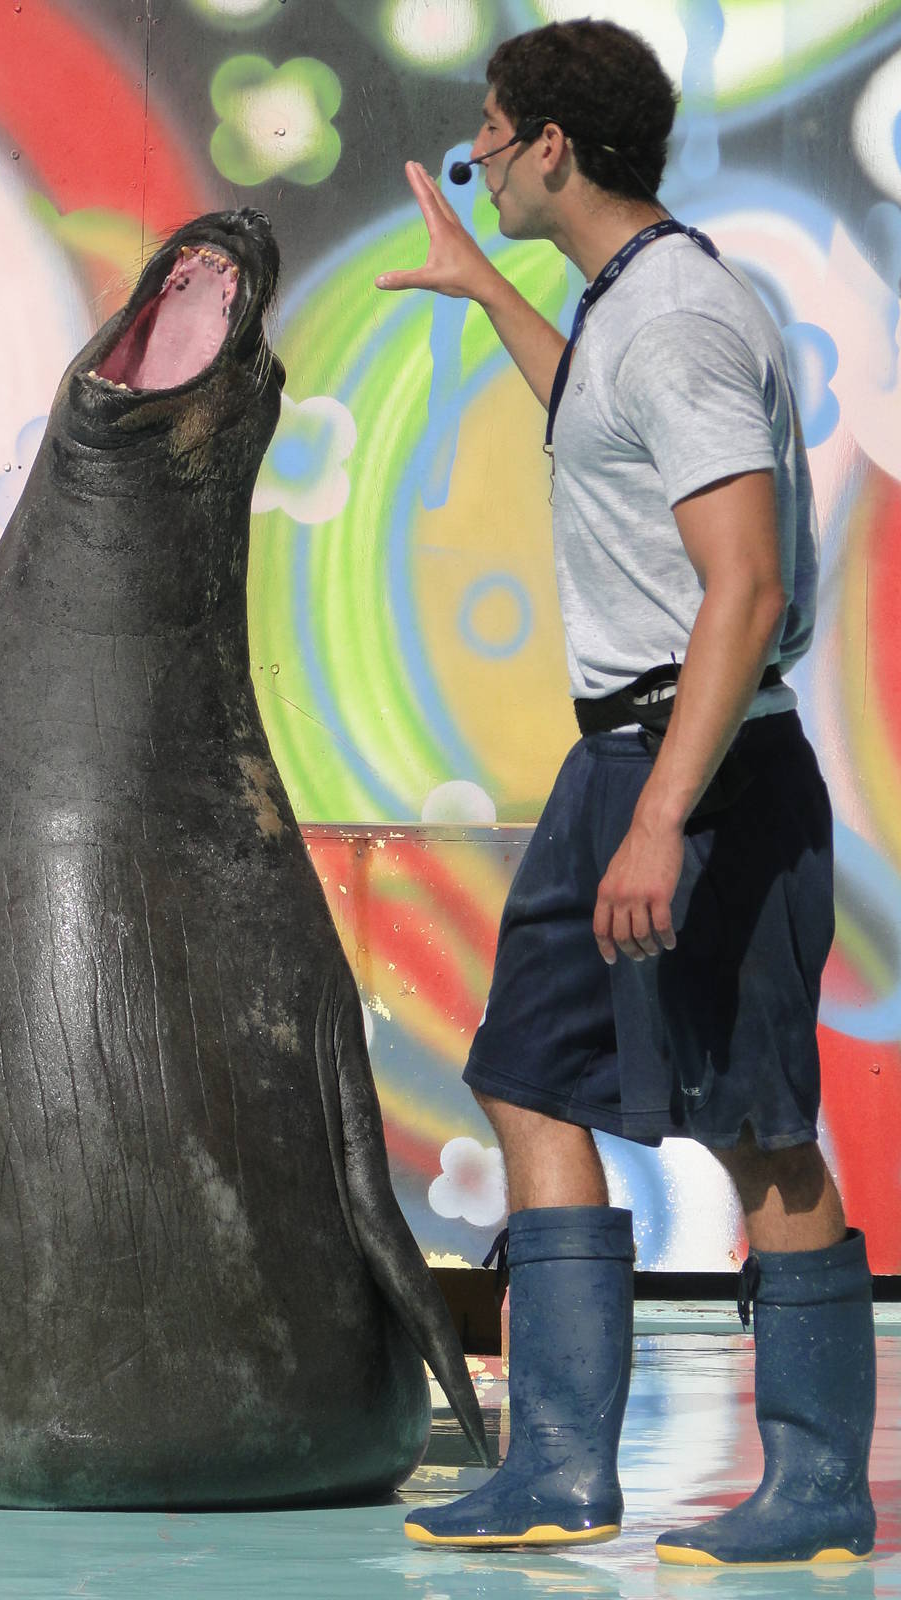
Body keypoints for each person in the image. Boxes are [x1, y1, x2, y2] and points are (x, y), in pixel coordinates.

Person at [376, 18, 876, 1567]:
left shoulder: (670, 319)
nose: (476, 156)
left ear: (552, 151)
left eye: (491, 132)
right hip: (623, 762)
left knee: (758, 1120)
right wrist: (488, 293)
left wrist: (664, 812)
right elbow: (603, 431)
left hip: (702, 770)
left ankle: (814, 1492)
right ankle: (562, 1467)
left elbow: (742, 581)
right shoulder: (624, 310)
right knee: (527, 1070)